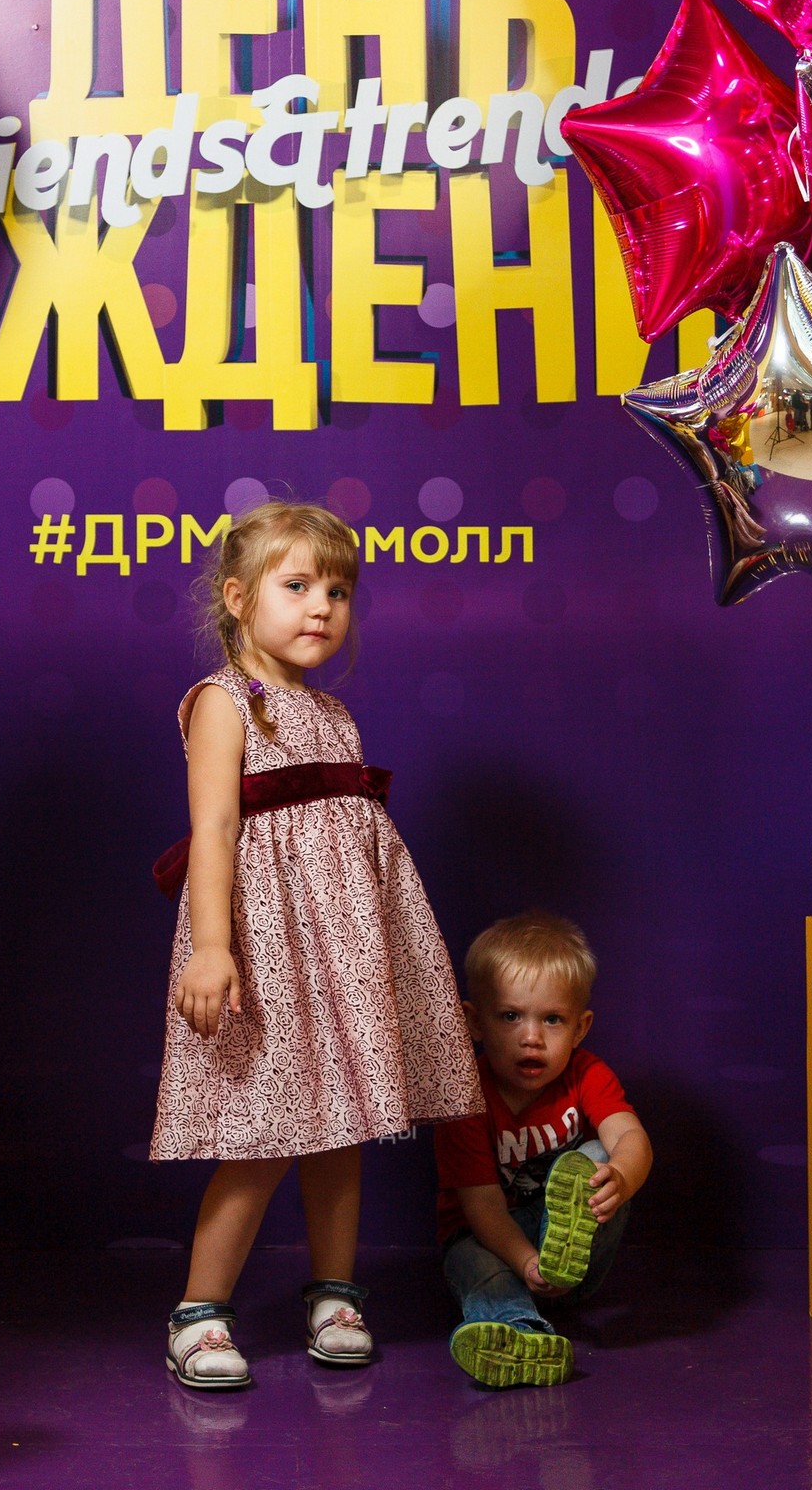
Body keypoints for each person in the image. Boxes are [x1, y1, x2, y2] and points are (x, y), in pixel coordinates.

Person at [151, 499, 480, 1390]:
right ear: (237, 599)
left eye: (337, 591)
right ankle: (200, 1311)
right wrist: (212, 947)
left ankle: (336, 1295)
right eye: (296, 586)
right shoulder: (225, 704)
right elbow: (215, 829)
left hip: (344, 951)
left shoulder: (331, 712)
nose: (322, 607)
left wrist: (393, 961)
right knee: (264, 1133)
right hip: (266, 947)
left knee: (345, 1125)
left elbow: (353, 848)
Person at [435, 912, 652, 1388]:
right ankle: (520, 1333)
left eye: (552, 1020)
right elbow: (482, 1206)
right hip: (493, 1241)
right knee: (475, 1263)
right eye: (510, 1016)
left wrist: (621, 1178)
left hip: (571, 1259)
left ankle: (563, 1243)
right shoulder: (466, 1096)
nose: (531, 1037)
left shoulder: (587, 1075)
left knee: (599, 1157)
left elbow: (632, 1138)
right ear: (474, 1021)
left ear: (580, 1028)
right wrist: (525, 1261)